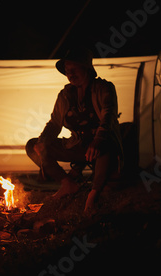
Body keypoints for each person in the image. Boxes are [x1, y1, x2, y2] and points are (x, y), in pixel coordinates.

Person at [25, 48, 123, 215]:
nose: (70, 74)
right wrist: (42, 141)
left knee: (104, 145)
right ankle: (68, 184)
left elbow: (108, 119)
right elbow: (55, 123)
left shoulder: (104, 88)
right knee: (33, 145)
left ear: (86, 68)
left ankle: (93, 194)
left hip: (101, 146)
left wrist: (97, 141)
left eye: (74, 69)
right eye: (67, 71)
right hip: (77, 145)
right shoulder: (65, 95)